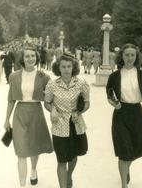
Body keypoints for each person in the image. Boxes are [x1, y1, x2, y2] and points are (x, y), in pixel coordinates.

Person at [106, 43, 142, 188]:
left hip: (137, 113)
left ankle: (126, 168)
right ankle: (124, 185)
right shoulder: (114, 76)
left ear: (137, 57)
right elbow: (109, 95)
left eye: (132, 55)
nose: (129, 58)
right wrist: (114, 104)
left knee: (135, 148)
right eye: (126, 55)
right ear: (121, 56)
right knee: (123, 150)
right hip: (121, 114)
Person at [4, 44, 53, 187]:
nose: (30, 58)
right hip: (20, 113)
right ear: (22, 59)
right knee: (21, 151)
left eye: (33, 56)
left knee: (34, 146)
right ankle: (22, 185)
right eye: (27, 56)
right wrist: (7, 119)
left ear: (36, 58)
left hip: (36, 113)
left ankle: (33, 169)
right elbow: (11, 99)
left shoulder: (43, 76)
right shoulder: (14, 76)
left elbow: (51, 97)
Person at [44, 53, 90, 188]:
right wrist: (52, 110)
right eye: (63, 66)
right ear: (58, 68)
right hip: (59, 125)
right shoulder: (52, 84)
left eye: (69, 66)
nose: (66, 69)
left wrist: (79, 111)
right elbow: (47, 102)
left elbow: (87, 103)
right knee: (61, 159)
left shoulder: (81, 83)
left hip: (76, 124)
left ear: (73, 67)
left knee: (74, 156)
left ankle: (69, 176)